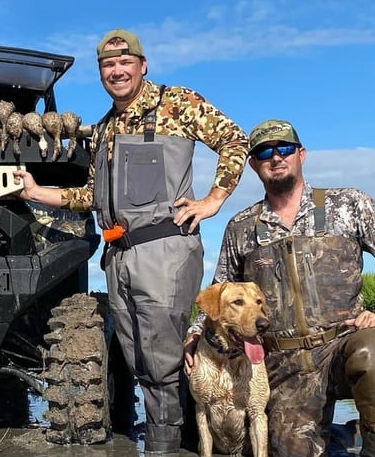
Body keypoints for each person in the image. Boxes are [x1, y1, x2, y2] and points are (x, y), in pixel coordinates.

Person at [13, 29, 248, 455]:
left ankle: (171, 448)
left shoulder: (176, 104)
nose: (117, 71)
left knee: (164, 362)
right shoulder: (103, 129)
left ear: (142, 65)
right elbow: (88, 197)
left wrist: (213, 200)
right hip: (117, 255)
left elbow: (234, 139)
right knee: (140, 361)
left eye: (125, 63)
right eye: (107, 65)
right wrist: (35, 192)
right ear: (101, 73)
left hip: (164, 251)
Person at [184, 119, 375, 456]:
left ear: (301, 154)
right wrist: (194, 334)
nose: (276, 157)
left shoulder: (348, 204)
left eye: (285, 148)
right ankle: (342, 434)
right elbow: (222, 293)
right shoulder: (242, 227)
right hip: (282, 363)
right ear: (253, 164)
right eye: (264, 152)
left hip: (342, 345)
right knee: (288, 449)